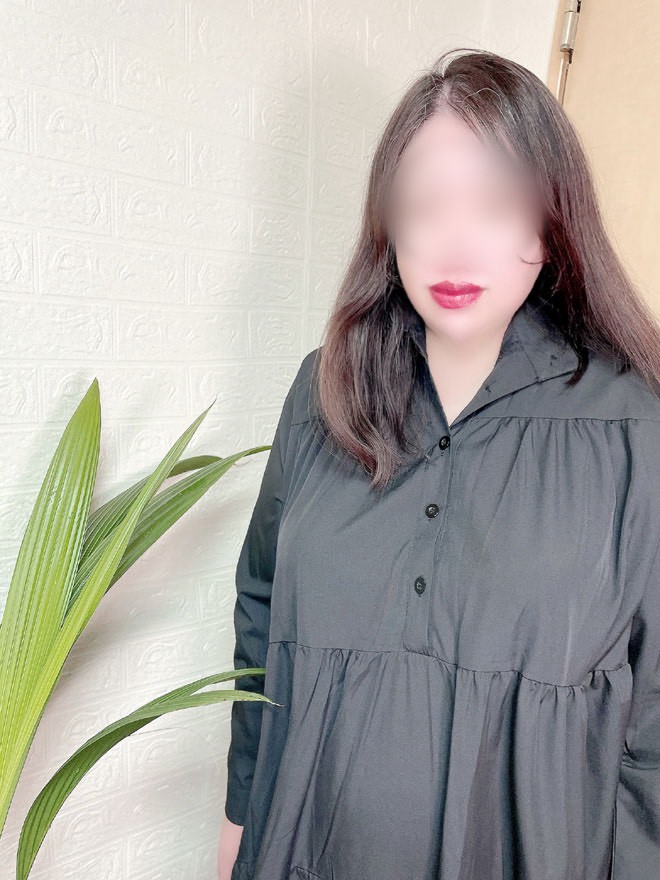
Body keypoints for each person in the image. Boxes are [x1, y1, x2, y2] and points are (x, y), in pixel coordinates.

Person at [217, 47, 660, 880]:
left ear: (551, 222)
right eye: (424, 206)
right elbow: (260, 611)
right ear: (389, 229)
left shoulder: (633, 425)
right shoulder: (322, 392)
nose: (456, 245)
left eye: (496, 205)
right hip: (305, 844)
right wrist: (240, 814)